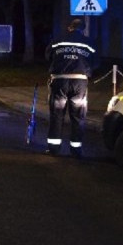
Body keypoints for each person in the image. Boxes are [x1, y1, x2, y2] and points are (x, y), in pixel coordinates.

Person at [44, 18, 96, 158]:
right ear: (83, 29)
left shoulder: (57, 40)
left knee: (56, 115)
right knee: (78, 117)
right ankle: (76, 150)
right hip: (79, 83)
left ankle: (54, 149)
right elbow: (96, 62)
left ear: (69, 27)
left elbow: (47, 56)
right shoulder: (89, 42)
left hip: (60, 81)